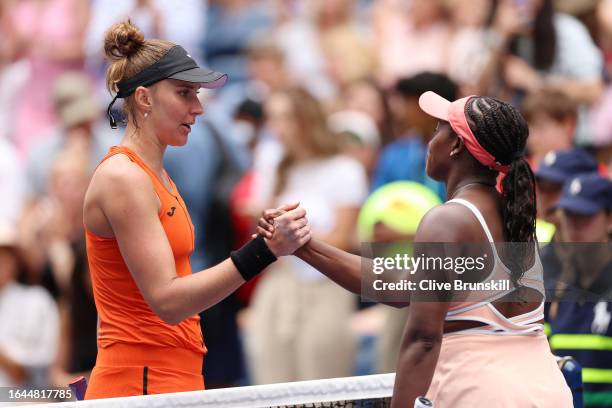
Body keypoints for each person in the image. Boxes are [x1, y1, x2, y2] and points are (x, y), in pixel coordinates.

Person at [258, 92, 573, 406]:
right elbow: (402, 287)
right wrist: (304, 246)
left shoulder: (447, 220)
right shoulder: (514, 213)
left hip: (480, 394)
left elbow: (423, 339)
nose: (429, 140)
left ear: (457, 145)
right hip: (545, 391)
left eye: (438, 130)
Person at [82, 21, 309, 399]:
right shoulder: (124, 178)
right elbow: (168, 301)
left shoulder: (155, 176)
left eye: (197, 94)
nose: (198, 108)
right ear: (144, 99)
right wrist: (263, 251)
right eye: (185, 93)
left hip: (168, 377)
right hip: (140, 382)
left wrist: (262, 240)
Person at [546, 173, 612, 408]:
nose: (574, 225)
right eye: (569, 215)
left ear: (609, 219)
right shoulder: (552, 293)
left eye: (585, 216)